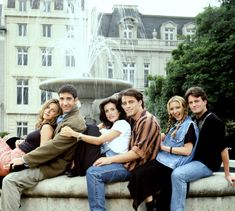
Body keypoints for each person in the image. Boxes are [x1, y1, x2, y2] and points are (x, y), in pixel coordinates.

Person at [1, 84, 86, 211]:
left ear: (76, 100)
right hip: (48, 161)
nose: (64, 103)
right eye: (62, 99)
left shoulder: (74, 122)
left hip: (53, 165)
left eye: (68, 99)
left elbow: (52, 147)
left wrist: (24, 159)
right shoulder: (67, 117)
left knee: (10, 181)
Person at [84, 88, 161, 211]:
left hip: (134, 167)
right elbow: (112, 124)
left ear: (140, 102)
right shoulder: (133, 118)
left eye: (131, 102)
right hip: (127, 163)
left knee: (94, 173)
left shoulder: (147, 121)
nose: (127, 106)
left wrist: (109, 160)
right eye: (124, 103)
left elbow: (137, 154)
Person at [127, 95, 199, 211]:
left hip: (172, 164)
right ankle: (152, 205)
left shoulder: (189, 125)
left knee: (140, 174)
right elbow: (163, 136)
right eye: (172, 109)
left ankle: (151, 207)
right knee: (137, 172)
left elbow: (187, 151)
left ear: (184, 108)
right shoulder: (176, 124)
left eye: (177, 108)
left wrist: (164, 148)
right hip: (164, 160)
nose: (174, 111)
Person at [170, 86, 235, 211]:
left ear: (205, 101)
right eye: (191, 102)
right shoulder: (195, 119)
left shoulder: (213, 121)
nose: (194, 105)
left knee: (178, 175)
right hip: (194, 161)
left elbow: (223, 148)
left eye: (197, 101)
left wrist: (227, 174)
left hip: (206, 164)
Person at [60, 97, 131, 173]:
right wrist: (100, 126)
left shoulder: (122, 123)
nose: (110, 113)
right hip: (100, 158)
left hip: (110, 159)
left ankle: (75, 164)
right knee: (89, 129)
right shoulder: (110, 127)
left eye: (112, 109)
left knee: (90, 128)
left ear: (119, 112)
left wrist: (73, 133)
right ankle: (75, 164)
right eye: (106, 111)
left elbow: (98, 141)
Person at [0, 99, 62, 176]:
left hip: (15, 158)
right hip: (14, 154)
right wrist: (23, 142)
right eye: (47, 107)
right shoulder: (44, 126)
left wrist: (24, 158)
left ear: (57, 115)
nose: (48, 111)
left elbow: (42, 151)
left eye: (53, 110)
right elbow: (36, 144)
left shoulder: (47, 128)